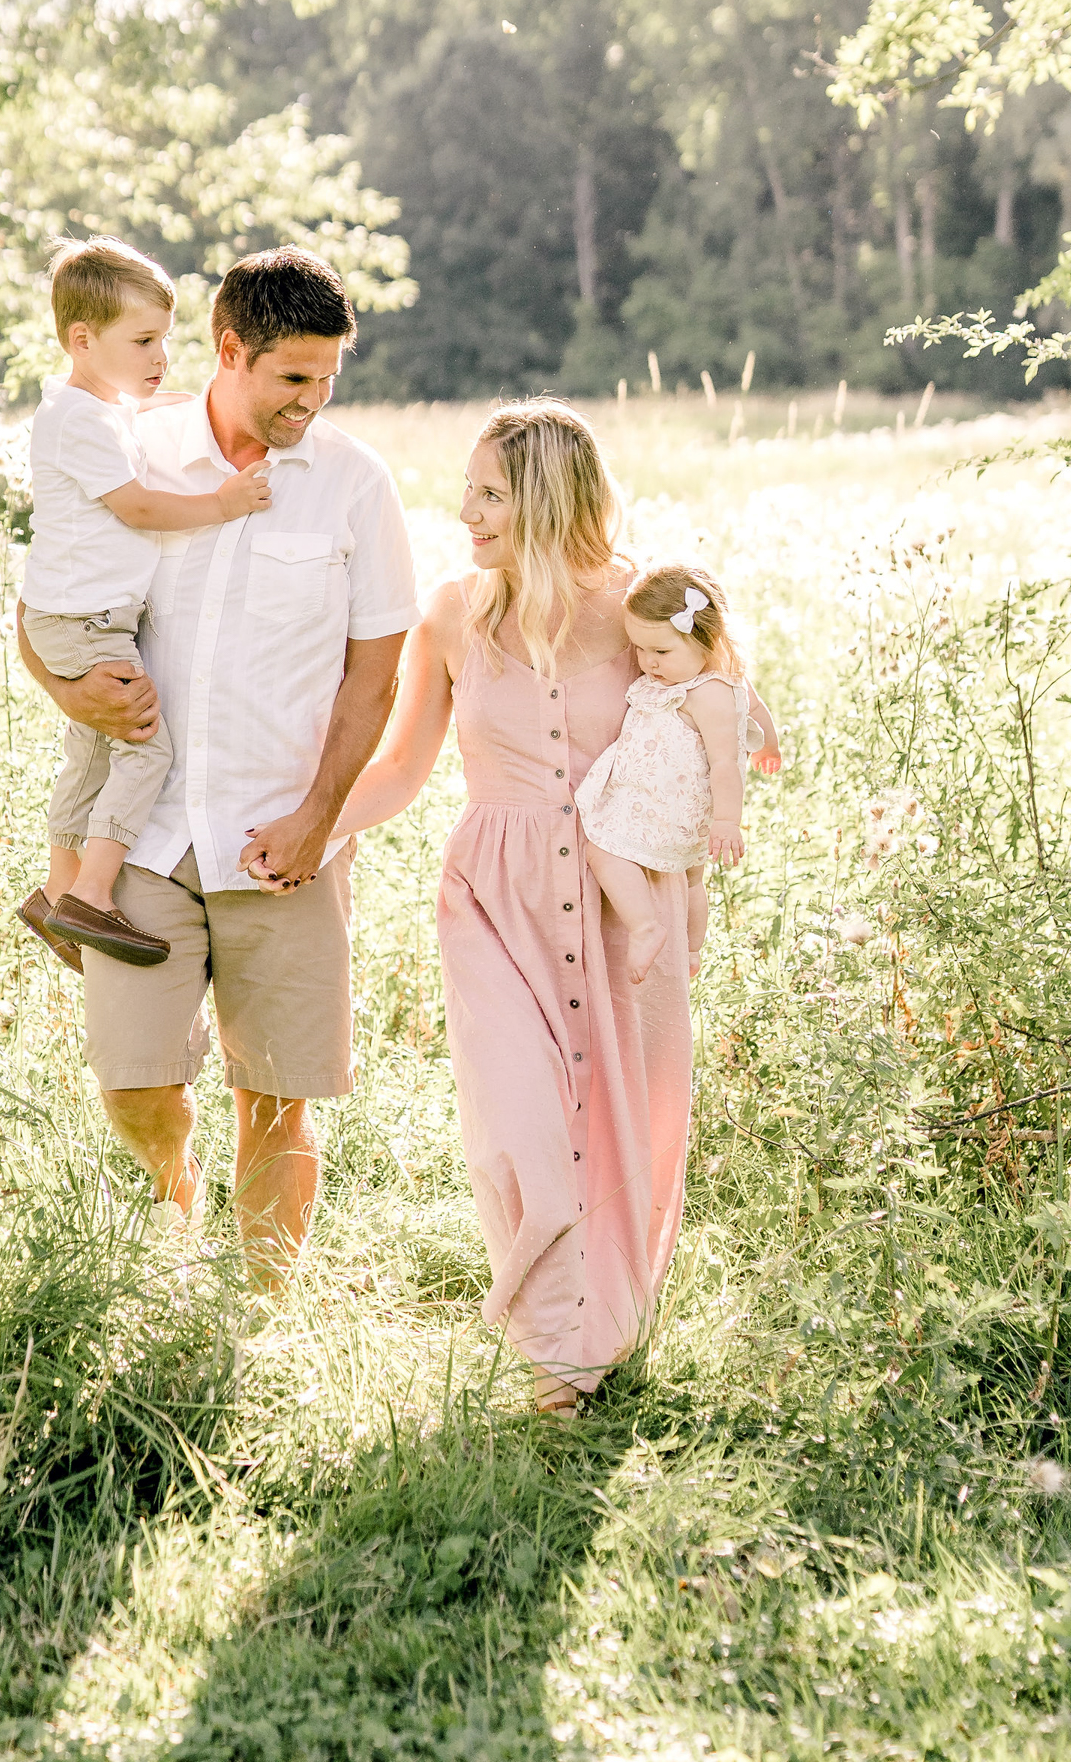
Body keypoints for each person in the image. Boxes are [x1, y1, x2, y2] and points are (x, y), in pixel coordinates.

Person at [336, 400, 773, 1415]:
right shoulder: (451, 612)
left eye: (487, 492)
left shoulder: (643, 605)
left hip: (629, 903)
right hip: (496, 898)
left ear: (541, 497)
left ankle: (594, 1335)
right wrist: (318, 830)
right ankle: (554, 1349)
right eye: (467, 490)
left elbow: (719, 704)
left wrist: (711, 832)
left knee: (634, 1124)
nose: (465, 510)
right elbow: (403, 762)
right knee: (520, 1128)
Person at [17, 246, 417, 1289]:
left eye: (329, 379)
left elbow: (375, 673)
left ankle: (261, 1309)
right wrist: (67, 692)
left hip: (280, 838)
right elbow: (44, 604)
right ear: (227, 350)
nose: (313, 402)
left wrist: (320, 818)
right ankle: (176, 1193)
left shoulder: (353, 486)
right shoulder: (130, 450)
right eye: (293, 377)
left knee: (277, 1094)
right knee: (134, 1079)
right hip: (141, 834)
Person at [16, 236, 272, 975]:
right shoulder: (83, 423)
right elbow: (137, 508)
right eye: (143, 341)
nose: (160, 356)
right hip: (86, 622)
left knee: (93, 749)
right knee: (146, 744)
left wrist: (188, 400)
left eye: (165, 337)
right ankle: (94, 894)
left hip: (75, 615)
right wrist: (222, 502)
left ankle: (58, 892)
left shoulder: (91, 405)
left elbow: (141, 405)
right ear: (82, 340)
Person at [576, 561, 780, 985]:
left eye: (661, 651)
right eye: (640, 649)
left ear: (706, 637)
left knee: (603, 851)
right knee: (691, 881)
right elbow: (756, 707)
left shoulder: (706, 696)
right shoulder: (726, 678)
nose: (648, 662)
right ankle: (691, 950)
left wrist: (728, 820)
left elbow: (726, 763)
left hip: (664, 805)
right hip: (688, 813)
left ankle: (644, 925)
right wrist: (771, 745)